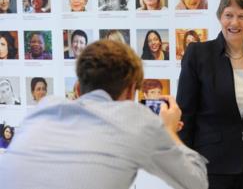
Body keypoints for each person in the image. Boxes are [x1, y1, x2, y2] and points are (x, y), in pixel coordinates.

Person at [0, 40, 208, 189]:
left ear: (79, 90)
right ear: (129, 91)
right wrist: (169, 131)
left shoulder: (42, 109)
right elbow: (196, 183)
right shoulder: (136, 120)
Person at [177, 0, 243, 189]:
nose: (234, 23)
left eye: (242, 16)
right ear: (220, 17)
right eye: (228, 15)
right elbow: (185, 113)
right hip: (211, 164)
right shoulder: (199, 54)